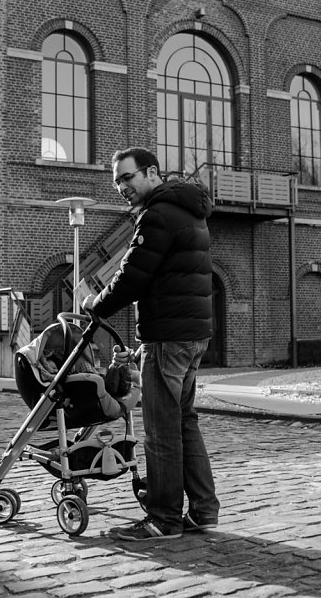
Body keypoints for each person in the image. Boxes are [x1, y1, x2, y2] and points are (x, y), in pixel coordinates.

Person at [82, 147, 220, 541]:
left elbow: (132, 276)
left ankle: (163, 518)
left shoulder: (158, 215)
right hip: (192, 335)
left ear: (152, 172)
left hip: (167, 337)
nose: (122, 187)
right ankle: (204, 512)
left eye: (127, 177)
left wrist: (96, 303)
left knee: (161, 430)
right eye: (117, 181)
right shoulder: (188, 210)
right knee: (185, 422)